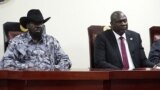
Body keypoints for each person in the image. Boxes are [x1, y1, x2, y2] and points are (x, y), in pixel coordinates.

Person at [0, 9, 71, 70]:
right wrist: (28, 67)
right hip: (25, 82)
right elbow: (5, 62)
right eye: (34, 23)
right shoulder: (17, 41)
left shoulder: (51, 41)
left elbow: (66, 61)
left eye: (40, 23)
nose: (38, 26)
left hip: (49, 81)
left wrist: (52, 68)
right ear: (27, 25)